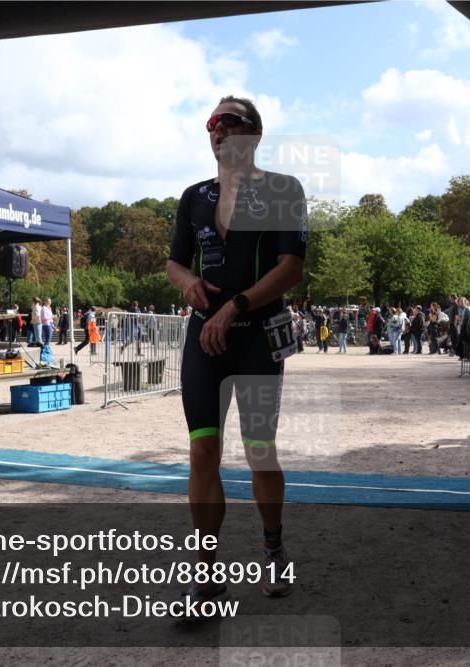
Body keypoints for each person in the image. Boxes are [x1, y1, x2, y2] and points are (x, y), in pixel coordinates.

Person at [166, 95, 306, 607]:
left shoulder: (283, 189)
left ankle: (274, 549)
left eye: (227, 121)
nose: (216, 130)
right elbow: (174, 262)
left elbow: (291, 267)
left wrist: (236, 306)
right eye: (210, 123)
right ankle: (206, 570)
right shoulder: (193, 195)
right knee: (202, 451)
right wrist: (186, 283)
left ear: (254, 133)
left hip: (256, 336)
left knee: (259, 451)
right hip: (206, 337)